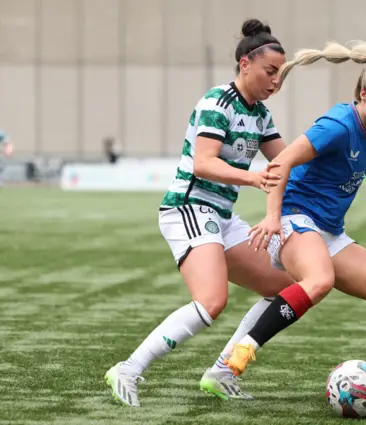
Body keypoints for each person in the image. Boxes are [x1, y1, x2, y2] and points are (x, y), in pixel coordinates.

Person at [218, 40, 366, 409]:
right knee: (319, 281)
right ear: (362, 95)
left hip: (328, 229)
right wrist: (273, 218)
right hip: (295, 218)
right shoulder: (337, 124)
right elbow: (280, 163)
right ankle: (244, 348)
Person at [104, 19, 297, 407]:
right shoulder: (217, 103)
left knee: (285, 291)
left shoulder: (260, 114)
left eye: (281, 75)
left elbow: (288, 160)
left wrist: (331, 150)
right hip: (189, 208)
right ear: (245, 64)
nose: (276, 81)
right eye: (270, 72)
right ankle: (128, 368)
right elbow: (203, 164)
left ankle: (222, 370)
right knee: (212, 301)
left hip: (222, 217)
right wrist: (255, 178)